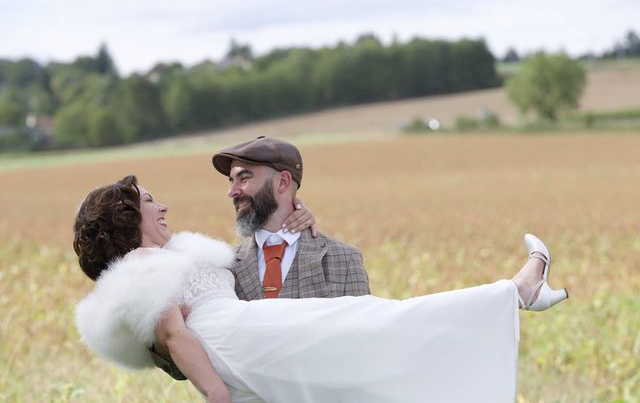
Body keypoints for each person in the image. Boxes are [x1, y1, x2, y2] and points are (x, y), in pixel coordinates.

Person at [74, 175, 568, 403]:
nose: (163, 208)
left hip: (247, 337)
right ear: (126, 219)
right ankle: (517, 291)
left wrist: (296, 222)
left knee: (365, 328)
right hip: (237, 340)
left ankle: (515, 295)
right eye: (151, 202)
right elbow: (174, 335)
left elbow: (247, 264)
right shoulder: (142, 262)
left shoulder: (175, 255)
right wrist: (218, 396)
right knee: (372, 324)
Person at [152, 136, 371, 380]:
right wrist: (166, 339)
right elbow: (187, 368)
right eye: (231, 181)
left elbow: (363, 351)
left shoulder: (343, 260)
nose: (232, 191)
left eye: (244, 178)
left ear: (283, 182)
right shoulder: (220, 268)